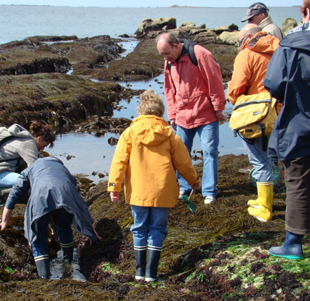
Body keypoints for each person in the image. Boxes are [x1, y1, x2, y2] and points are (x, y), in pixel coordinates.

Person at [107, 89, 200, 282]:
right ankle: (151, 274)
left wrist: (114, 187)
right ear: (161, 111)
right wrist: (194, 182)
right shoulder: (169, 134)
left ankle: (139, 272)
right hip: (162, 191)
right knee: (157, 229)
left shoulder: (129, 133)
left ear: (140, 110)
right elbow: (184, 162)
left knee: (139, 228)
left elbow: (119, 162)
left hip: (138, 191)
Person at [0, 156, 100, 278]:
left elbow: (13, 195)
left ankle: (44, 276)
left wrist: (4, 221)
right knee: (64, 227)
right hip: (65, 193)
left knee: (38, 236)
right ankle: (68, 265)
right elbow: (79, 201)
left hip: (39, 196)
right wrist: (90, 229)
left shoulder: (29, 169)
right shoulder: (64, 169)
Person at [263, 0, 310, 259]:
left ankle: (293, 242)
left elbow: (274, 83)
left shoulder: (291, 45)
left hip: (299, 124)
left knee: (298, 183)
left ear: (304, 12)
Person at [156, 32, 226, 205]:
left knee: (209, 151)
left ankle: (209, 191)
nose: (165, 58)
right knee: (181, 153)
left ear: (175, 45)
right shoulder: (168, 62)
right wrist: (172, 114)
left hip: (205, 113)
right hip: (182, 115)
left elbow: (215, 81)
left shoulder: (200, 54)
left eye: (166, 53)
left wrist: (218, 108)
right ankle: (185, 187)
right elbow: (169, 89)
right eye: (162, 55)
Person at [227, 24, 280, 222]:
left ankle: (265, 209)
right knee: (269, 156)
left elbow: (236, 87)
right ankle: (262, 199)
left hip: (256, 115)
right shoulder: (279, 49)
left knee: (259, 159)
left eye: (240, 41)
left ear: (249, 36)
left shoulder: (247, 54)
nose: (240, 44)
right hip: (279, 111)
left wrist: (233, 98)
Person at [0, 120, 56, 192]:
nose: (43, 149)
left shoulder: (22, 138)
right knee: (32, 184)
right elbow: (34, 169)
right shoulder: (29, 144)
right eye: (44, 145)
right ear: (39, 139)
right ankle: (0, 194)